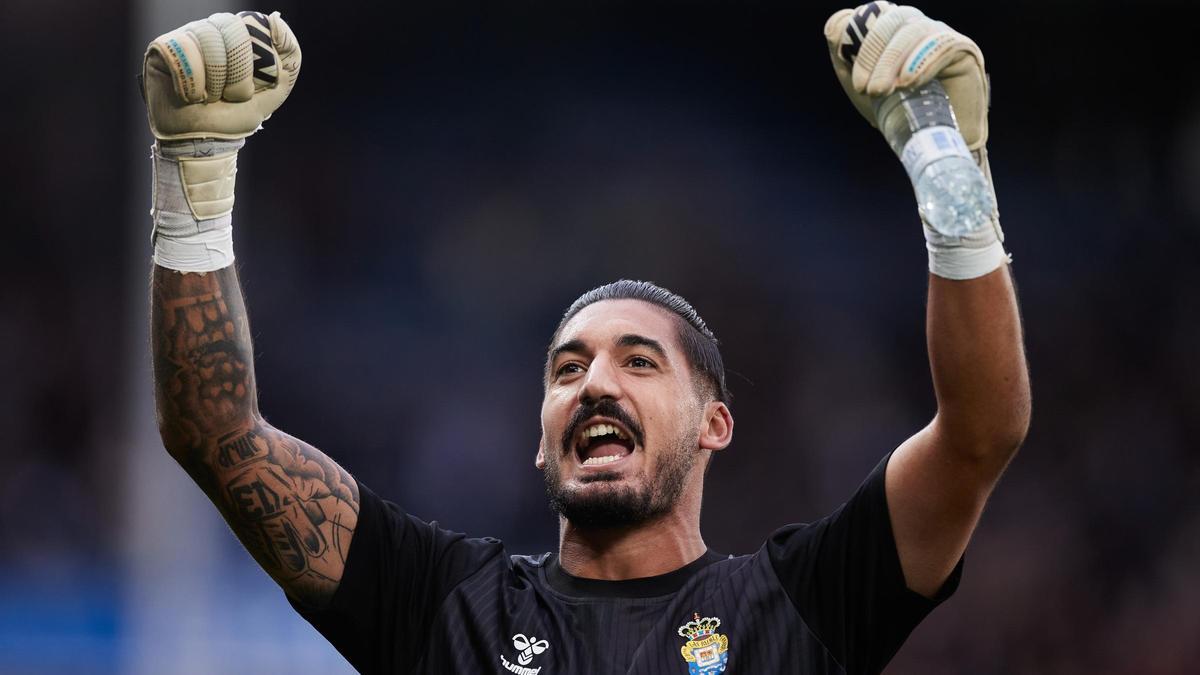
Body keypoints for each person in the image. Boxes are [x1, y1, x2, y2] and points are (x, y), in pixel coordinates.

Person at [143, 3, 1030, 673]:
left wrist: (946, 171)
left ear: (715, 421)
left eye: (639, 360)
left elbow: (980, 432)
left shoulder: (801, 602)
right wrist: (193, 182)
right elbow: (216, 437)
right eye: (567, 368)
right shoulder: (443, 605)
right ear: (540, 440)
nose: (593, 382)